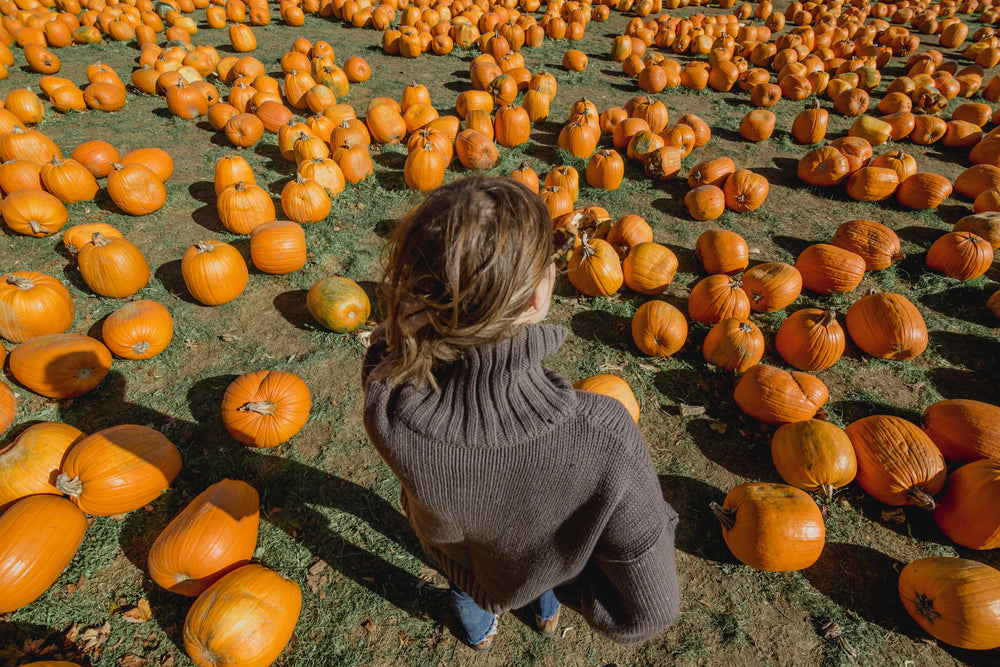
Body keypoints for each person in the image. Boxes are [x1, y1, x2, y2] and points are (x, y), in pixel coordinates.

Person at [361, 176, 679, 651]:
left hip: (459, 559)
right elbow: (649, 612)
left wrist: (397, 331)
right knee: (535, 582)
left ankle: (479, 632)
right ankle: (544, 608)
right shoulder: (605, 437)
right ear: (537, 297)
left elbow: (381, 364)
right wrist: (563, 573)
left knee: (471, 590)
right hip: (541, 567)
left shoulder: (393, 408)